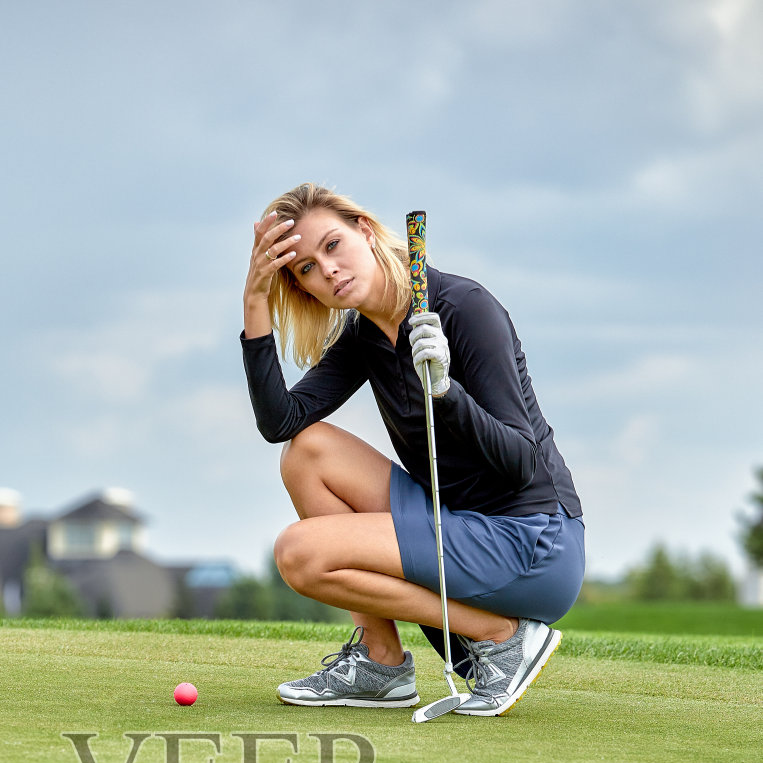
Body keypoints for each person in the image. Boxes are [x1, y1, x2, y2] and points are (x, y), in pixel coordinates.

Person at [241, 183, 585, 716]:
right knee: (306, 451)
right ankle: (382, 664)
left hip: (534, 541)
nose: (326, 270)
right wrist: (256, 299)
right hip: (457, 525)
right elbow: (279, 421)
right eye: (306, 268)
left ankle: (502, 637)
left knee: (299, 553)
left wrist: (446, 393)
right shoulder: (365, 336)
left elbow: (522, 464)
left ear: (363, 230)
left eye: (332, 246)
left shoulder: (465, 308)